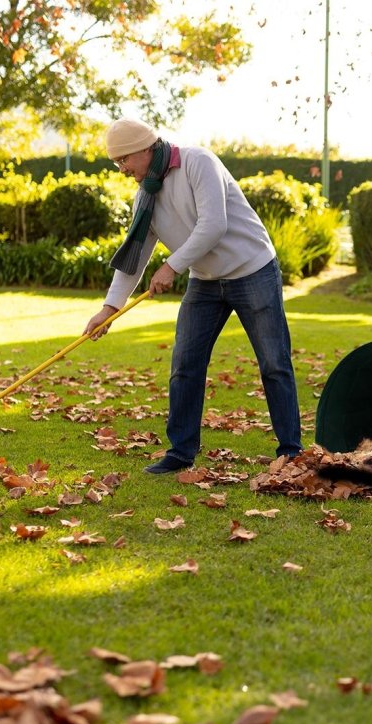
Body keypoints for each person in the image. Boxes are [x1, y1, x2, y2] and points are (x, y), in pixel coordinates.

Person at [84, 118, 303, 474]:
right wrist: (109, 308)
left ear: (145, 148)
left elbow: (213, 224)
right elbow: (134, 258)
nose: (122, 169)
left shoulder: (197, 162)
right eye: (117, 163)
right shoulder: (146, 195)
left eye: (124, 160)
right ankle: (181, 452)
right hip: (206, 281)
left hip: (252, 270)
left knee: (274, 364)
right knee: (185, 365)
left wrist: (172, 266)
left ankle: (292, 452)